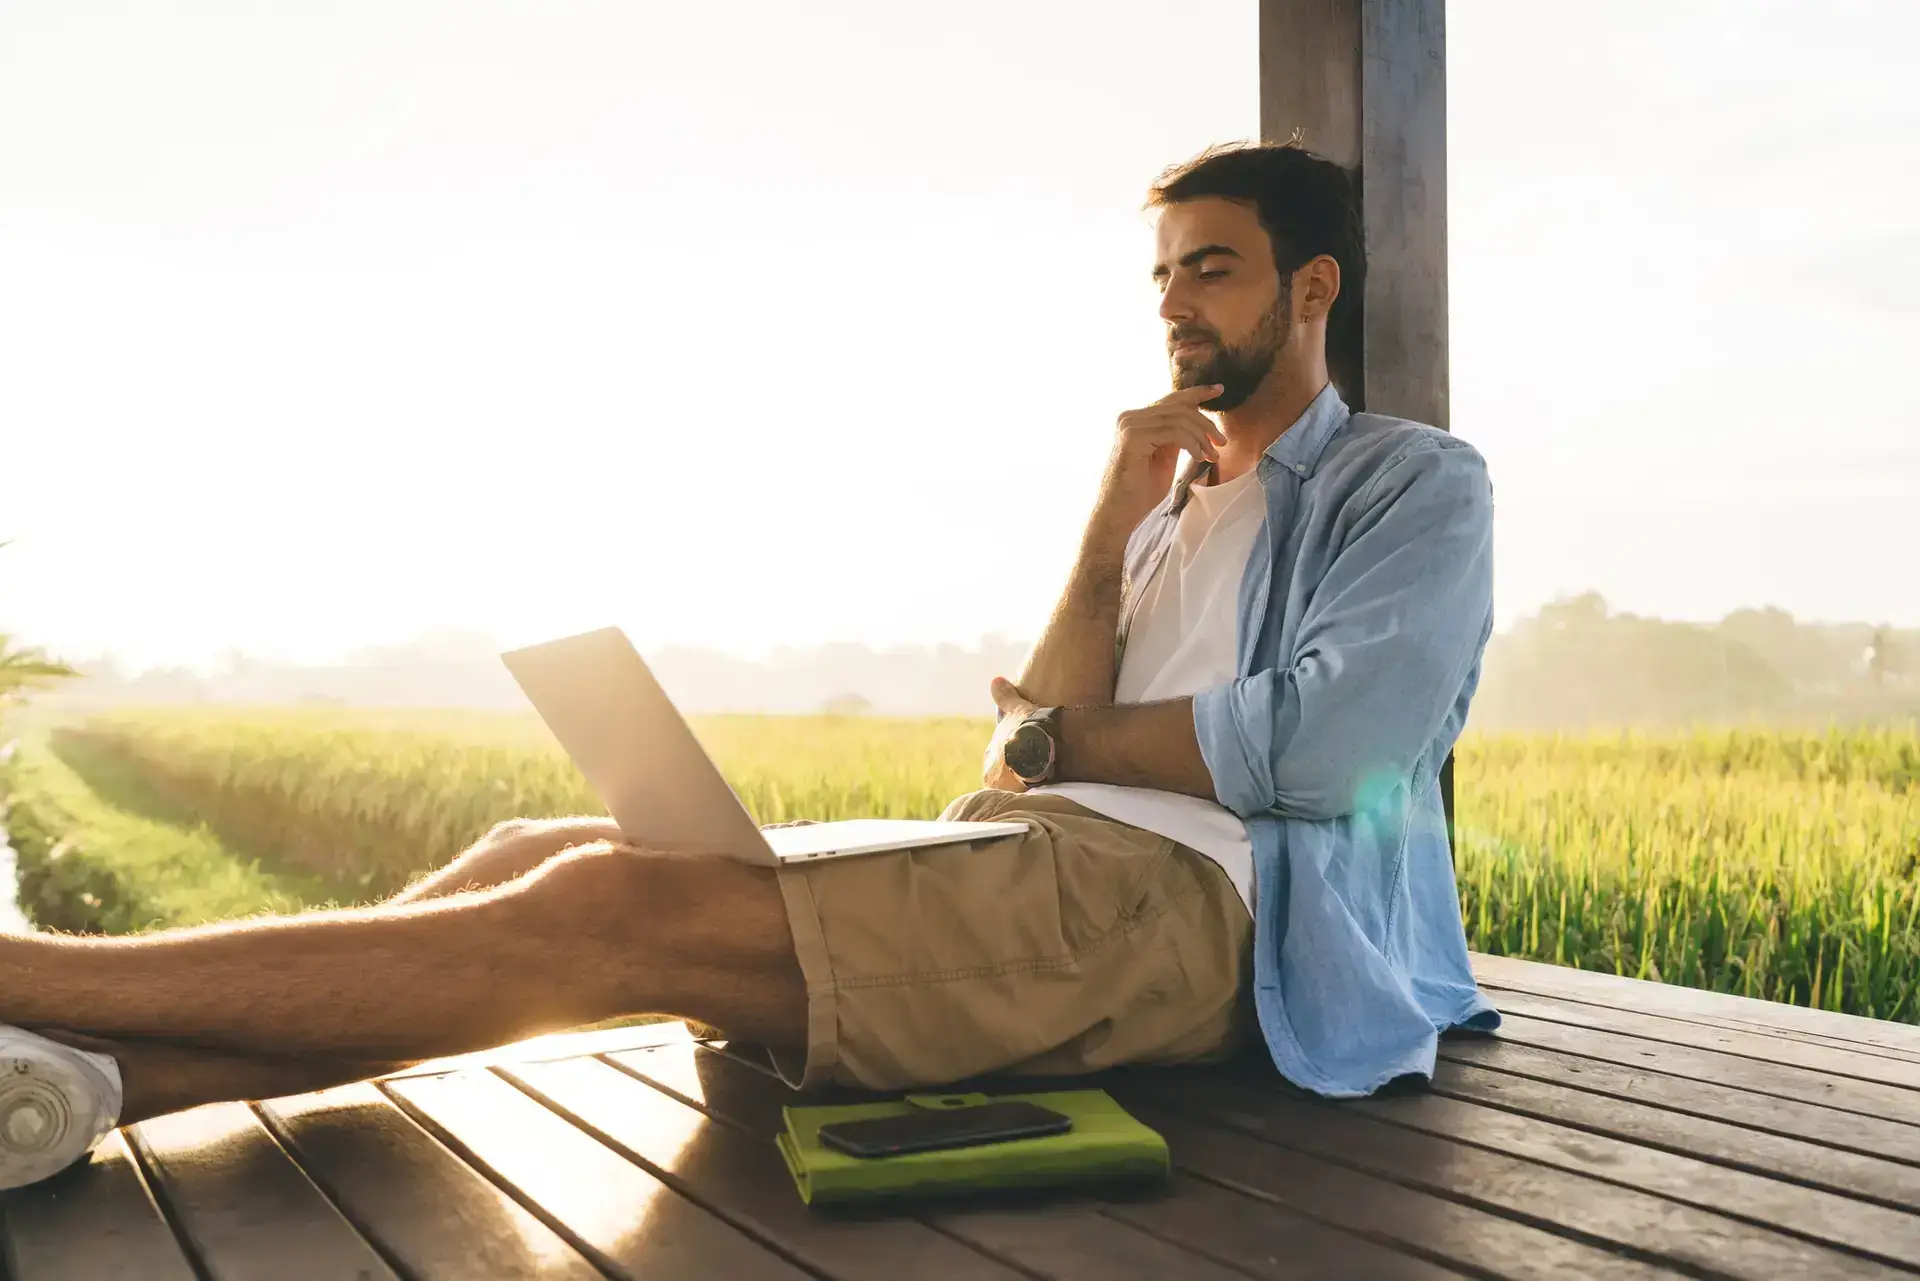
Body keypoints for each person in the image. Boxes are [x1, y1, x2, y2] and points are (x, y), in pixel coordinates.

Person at [0, 142, 1499, 1191]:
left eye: (1214, 272)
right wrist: (1108, 528)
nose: (1175, 305)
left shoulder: (1410, 482)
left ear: (1310, 290)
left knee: (607, 908)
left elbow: (1328, 748)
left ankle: (29, 978)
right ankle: (97, 1082)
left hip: (1202, 915)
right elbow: (1019, 747)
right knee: (545, 849)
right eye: (1163, 275)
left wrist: (1060, 750)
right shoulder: (1166, 500)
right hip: (1043, 856)